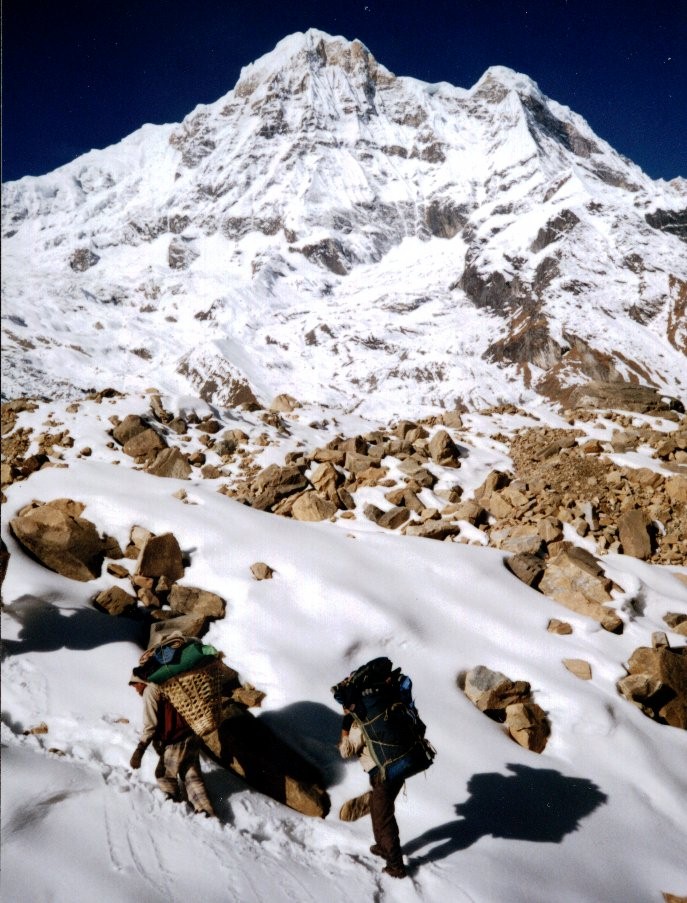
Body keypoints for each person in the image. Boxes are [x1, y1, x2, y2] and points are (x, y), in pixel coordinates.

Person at [129, 675, 216, 818]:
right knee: (191, 776)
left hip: (176, 739)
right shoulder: (166, 684)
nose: (135, 689)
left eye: (135, 685)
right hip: (192, 736)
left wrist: (140, 750)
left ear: (141, 682)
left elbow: (151, 725)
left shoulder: (150, 691)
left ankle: (174, 812)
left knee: (163, 775)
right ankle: (207, 813)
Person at [338, 707, 407, 879]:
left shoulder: (359, 722)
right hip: (396, 771)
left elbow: (346, 751)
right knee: (379, 810)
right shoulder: (377, 712)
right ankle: (382, 846)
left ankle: (396, 865)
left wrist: (345, 728)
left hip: (383, 776)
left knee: (384, 818)